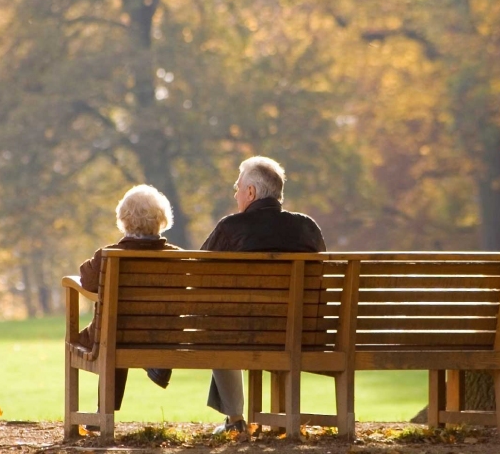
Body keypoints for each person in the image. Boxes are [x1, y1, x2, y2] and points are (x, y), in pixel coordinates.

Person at [200, 156, 326, 433]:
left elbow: (197, 275)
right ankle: (251, 418)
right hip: (305, 333)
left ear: (251, 192)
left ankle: (235, 420)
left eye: (238, 187)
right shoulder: (308, 227)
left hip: (243, 335)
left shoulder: (230, 227)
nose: (235, 194)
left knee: (216, 322)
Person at [77, 184, 181, 419]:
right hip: (161, 339)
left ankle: (104, 413)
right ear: (162, 219)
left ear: (124, 219)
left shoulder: (108, 256)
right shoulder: (178, 258)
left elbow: (87, 280)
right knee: (120, 328)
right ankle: (154, 362)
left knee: (111, 332)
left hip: (114, 337)